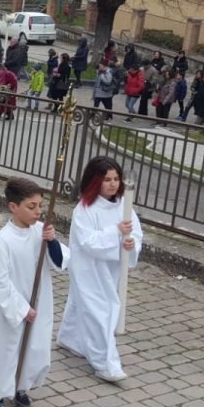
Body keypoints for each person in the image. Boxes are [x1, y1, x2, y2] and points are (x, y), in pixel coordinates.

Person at [0, 177, 68, 407]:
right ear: (13, 207)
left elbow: (59, 262)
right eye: (31, 206)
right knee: (5, 349)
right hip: (10, 307)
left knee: (33, 347)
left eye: (40, 205)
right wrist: (21, 308)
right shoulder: (2, 241)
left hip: (38, 301)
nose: (38, 211)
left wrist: (52, 242)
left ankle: (20, 386)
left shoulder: (41, 232)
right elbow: (0, 283)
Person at [58, 157, 141, 383]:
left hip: (111, 267)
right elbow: (87, 241)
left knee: (81, 302)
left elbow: (135, 233)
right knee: (99, 310)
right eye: (107, 180)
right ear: (95, 181)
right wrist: (115, 232)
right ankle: (106, 363)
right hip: (88, 266)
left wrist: (131, 243)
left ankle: (70, 337)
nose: (113, 184)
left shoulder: (124, 206)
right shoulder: (85, 208)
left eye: (116, 179)